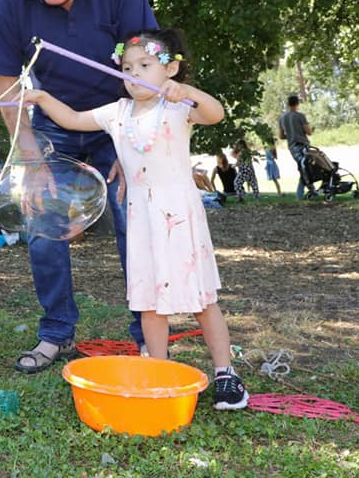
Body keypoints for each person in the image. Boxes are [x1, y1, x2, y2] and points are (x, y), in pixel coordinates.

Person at [23, 29, 249, 410]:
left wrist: (188, 93)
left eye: (145, 65)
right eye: (127, 67)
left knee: (201, 298)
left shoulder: (176, 107)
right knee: (148, 302)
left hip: (178, 216)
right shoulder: (118, 112)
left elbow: (216, 114)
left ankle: (226, 374)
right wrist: (43, 97)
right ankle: (159, 371)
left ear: (171, 69)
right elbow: (75, 119)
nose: (134, 73)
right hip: (141, 218)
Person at [0, 0, 157, 371]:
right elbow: (6, 81)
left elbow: (147, 62)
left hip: (117, 118)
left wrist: (134, 140)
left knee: (132, 218)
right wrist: (31, 160)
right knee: (43, 224)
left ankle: (148, 338)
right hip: (51, 120)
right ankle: (56, 334)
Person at [278, 95, 313, 200]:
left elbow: (280, 135)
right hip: (302, 145)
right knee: (306, 169)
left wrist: (290, 135)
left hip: (292, 147)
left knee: (303, 169)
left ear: (288, 104)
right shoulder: (300, 116)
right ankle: (301, 194)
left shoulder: (282, 118)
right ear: (297, 104)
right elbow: (308, 132)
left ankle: (310, 191)